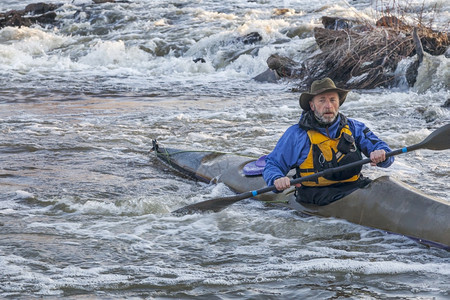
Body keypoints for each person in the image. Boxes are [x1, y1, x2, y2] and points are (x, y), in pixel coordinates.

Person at [263, 77, 394, 206]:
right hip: (316, 194)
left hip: (354, 186)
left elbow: (383, 149)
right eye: (322, 100)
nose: (328, 106)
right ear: (312, 105)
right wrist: (276, 179)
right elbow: (273, 164)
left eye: (332, 100)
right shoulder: (296, 134)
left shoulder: (354, 127)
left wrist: (381, 154)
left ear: (338, 102)